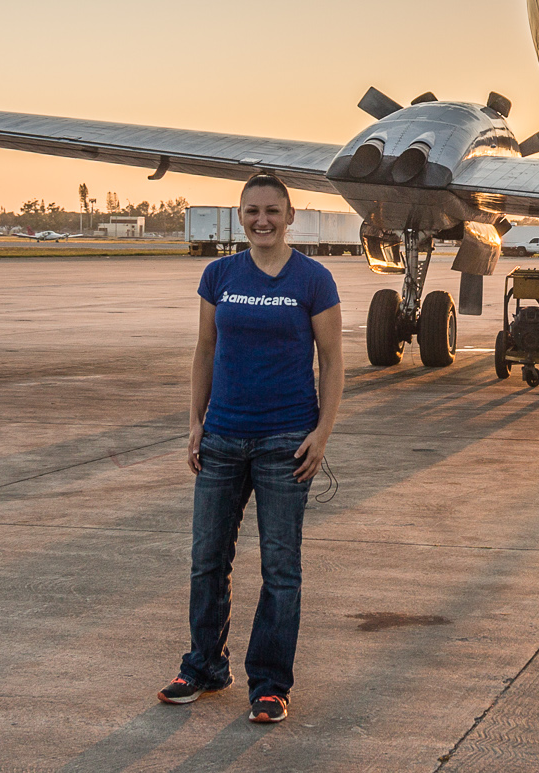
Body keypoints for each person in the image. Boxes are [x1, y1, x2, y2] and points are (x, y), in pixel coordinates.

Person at [157, 174, 342, 724]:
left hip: (286, 440)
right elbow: (205, 350)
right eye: (251, 212)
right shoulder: (219, 275)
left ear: (290, 216)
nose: (262, 220)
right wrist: (195, 421)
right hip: (222, 436)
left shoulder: (313, 278)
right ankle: (204, 666)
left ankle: (269, 683)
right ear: (240, 217)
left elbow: (332, 362)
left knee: (281, 568)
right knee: (207, 560)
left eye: (272, 211)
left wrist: (322, 433)